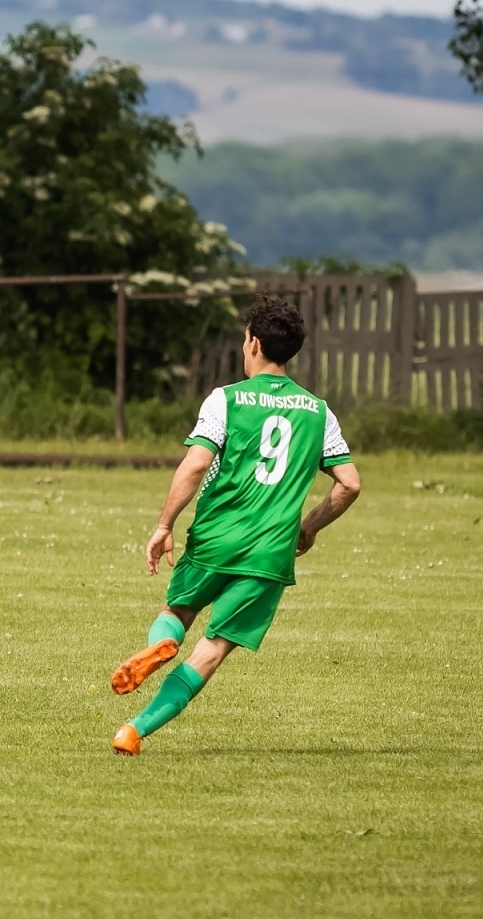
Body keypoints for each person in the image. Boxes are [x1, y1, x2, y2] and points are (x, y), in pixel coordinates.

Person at [108, 295, 362, 756]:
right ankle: (134, 731)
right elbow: (349, 484)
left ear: (255, 343)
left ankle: (161, 646)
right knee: (211, 650)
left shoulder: (225, 399)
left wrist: (165, 524)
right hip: (270, 552)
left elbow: (194, 464)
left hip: (216, 537)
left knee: (177, 613)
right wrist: (310, 527)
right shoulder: (318, 411)